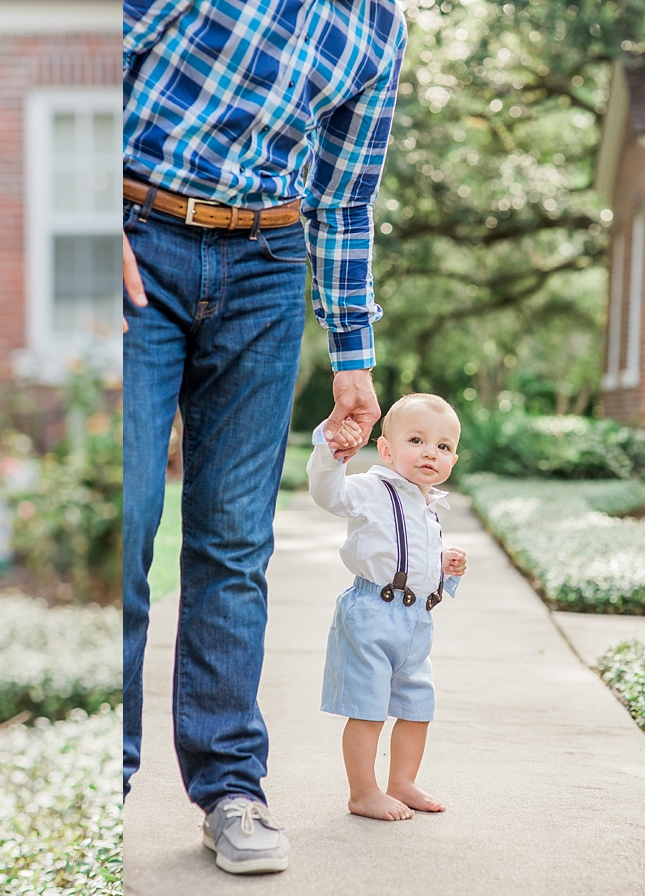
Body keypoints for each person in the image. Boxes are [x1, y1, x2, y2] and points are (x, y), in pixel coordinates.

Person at [121, 0, 407, 876]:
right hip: (137, 234)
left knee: (234, 541)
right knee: (122, 521)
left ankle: (230, 790)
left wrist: (352, 352)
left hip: (267, 266)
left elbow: (345, 199)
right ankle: (100, 781)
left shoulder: (379, 31)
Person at [310, 394, 467, 823]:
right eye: (416, 440)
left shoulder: (428, 504)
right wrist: (330, 454)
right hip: (371, 613)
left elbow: (412, 558)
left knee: (418, 706)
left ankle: (402, 782)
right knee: (368, 707)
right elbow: (329, 495)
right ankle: (363, 792)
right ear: (386, 449)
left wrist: (445, 566)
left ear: (453, 457)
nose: (430, 453)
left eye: (443, 446)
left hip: (416, 621)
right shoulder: (370, 488)